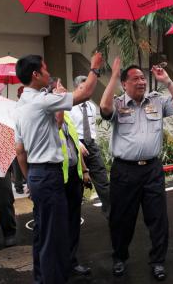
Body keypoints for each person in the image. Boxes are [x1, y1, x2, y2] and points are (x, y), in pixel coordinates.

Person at [14, 52, 102, 284]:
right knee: (54, 237)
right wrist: (94, 68)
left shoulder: (21, 105)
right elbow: (85, 93)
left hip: (36, 173)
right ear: (35, 74)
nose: (48, 73)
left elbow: (20, 151)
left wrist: (30, 178)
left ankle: (42, 279)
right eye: (44, 69)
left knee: (43, 234)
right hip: (49, 175)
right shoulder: (42, 101)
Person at [100, 58, 173, 281]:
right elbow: (104, 107)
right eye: (135, 79)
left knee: (158, 219)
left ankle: (158, 261)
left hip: (152, 170)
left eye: (142, 78)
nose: (141, 82)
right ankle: (120, 258)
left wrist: (166, 80)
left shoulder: (156, 102)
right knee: (121, 219)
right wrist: (112, 76)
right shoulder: (118, 104)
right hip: (125, 171)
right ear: (124, 84)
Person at [56, 110, 92, 276]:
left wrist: (84, 171)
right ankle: (58, 264)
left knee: (73, 221)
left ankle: (71, 261)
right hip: (56, 179)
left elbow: (75, 145)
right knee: (57, 224)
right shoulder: (45, 119)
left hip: (73, 176)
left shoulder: (68, 118)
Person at [70, 75, 111, 218]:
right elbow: (68, 129)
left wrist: (92, 142)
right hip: (76, 144)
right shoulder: (69, 106)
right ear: (76, 89)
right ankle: (73, 218)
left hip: (91, 145)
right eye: (82, 88)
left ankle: (111, 213)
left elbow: (92, 128)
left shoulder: (92, 106)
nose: (86, 91)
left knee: (102, 180)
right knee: (76, 184)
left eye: (88, 88)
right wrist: (78, 143)